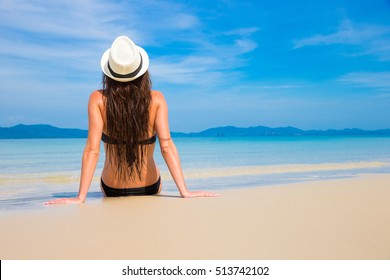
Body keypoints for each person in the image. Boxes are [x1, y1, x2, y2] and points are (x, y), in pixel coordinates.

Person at [46, 36, 218, 204]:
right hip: (150, 186)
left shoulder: (97, 99)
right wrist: (185, 192)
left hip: (111, 189)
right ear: (142, 71)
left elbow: (92, 151)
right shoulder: (156, 99)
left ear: (109, 72)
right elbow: (166, 146)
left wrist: (80, 198)